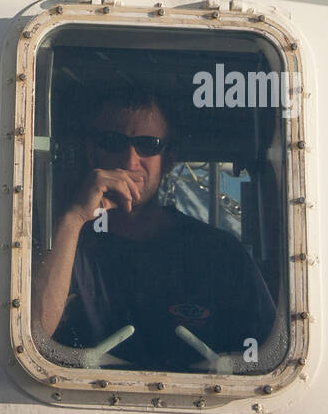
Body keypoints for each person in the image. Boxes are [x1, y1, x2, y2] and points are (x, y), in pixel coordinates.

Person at [33, 93, 276, 372]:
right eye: (113, 142)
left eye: (148, 146)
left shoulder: (220, 254)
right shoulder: (67, 247)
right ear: (92, 151)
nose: (130, 160)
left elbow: (263, 357)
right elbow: (34, 335)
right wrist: (74, 218)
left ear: (168, 160)